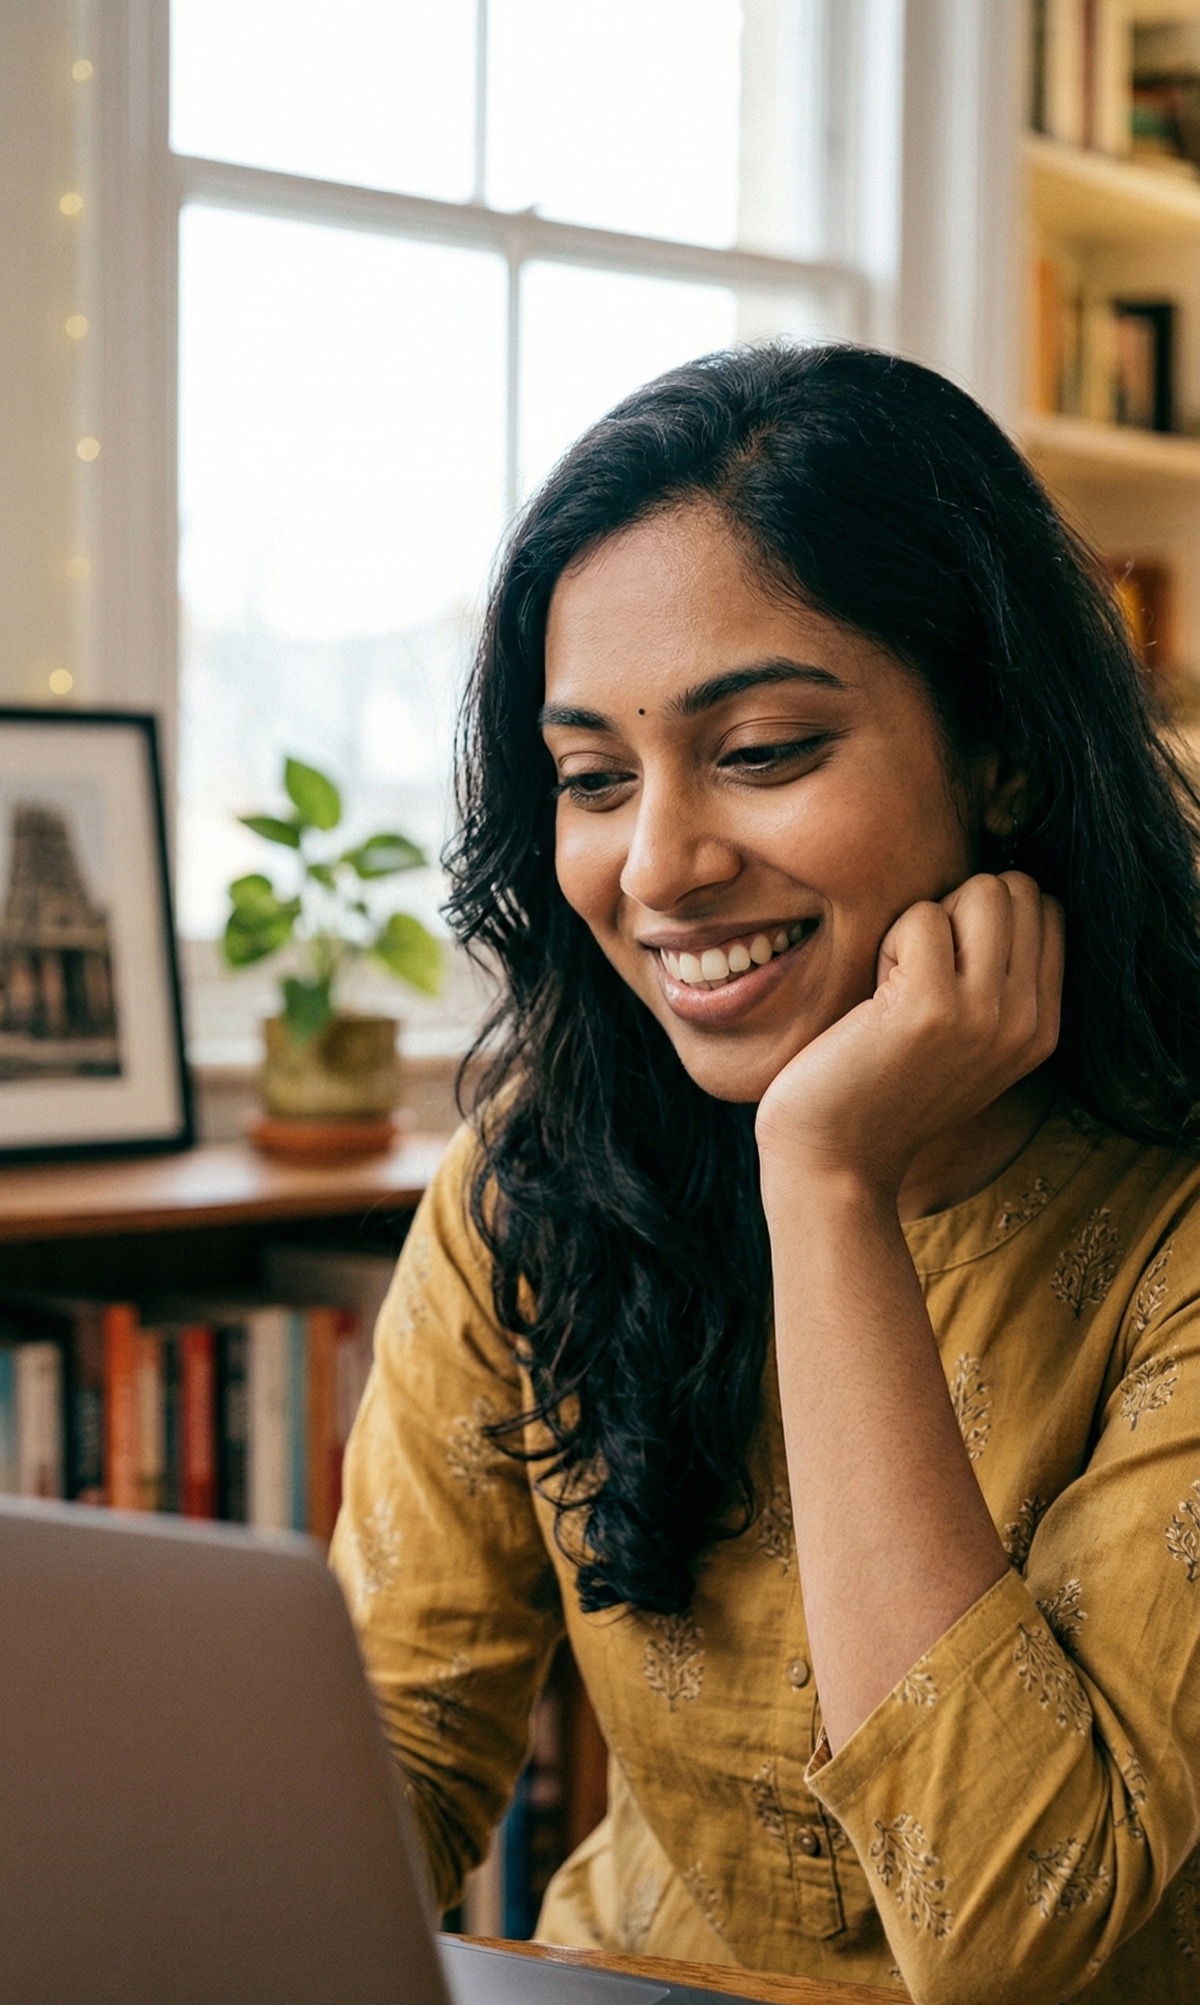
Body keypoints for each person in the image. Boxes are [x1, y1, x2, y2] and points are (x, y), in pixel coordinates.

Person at [329, 344, 1200, 2004]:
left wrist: (823, 1176)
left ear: (1002, 751)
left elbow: (1015, 1938)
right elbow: (384, 1760)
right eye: (592, 777)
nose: (660, 864)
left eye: (766, 749)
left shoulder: (1172, 1220)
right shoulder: (540, 1173)